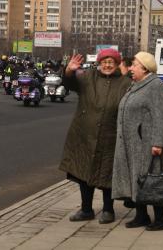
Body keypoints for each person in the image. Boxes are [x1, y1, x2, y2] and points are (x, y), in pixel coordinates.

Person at [59, 48, 131, 224]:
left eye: (111, 62)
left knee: (107, 174)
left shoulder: (124, 83)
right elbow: (69, 84)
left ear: (116, 64)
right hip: (85, 134)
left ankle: (108, 210)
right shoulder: (88, 77)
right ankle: (86, 209)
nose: (107, 65)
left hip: (111, 136)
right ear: (99, 63)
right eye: (104, 62)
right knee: (84, 172)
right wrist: (69, 70)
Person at [112, 51, 163, 231]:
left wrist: (158, 143)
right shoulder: (136, 84)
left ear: (144, 68)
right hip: (131, 143)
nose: (131, 68)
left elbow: (161, 116)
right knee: (137, 179)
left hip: (146, 143)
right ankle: (141, 216)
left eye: (134, 65)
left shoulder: (155, 85)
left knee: (152, 179)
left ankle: (162, 219)